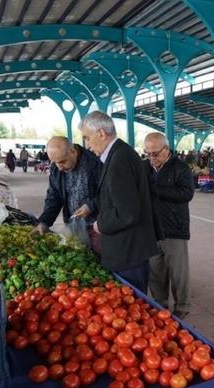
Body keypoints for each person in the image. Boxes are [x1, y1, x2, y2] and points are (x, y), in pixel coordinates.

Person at [80, 111, 158, 293]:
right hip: (128, 248)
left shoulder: (119, 159)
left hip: (128, 251)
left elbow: (127, 213)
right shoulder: (119, 154)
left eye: (87, 138)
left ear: (100, 133)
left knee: (132, 302)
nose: (87, 145)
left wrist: (100, 224)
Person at [144, 133, 194, 318]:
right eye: (147, 154)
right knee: (155, 270)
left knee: (178, 272)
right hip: (151, 229)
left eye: (155, 154)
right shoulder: (145, 167)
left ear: (166, 150)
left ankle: (182, 305)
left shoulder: (181, 168)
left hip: (174, 228)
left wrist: (155, 189)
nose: (151, 158)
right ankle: (160, 303)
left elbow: (186, 194)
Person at [35, 136, 103, 254]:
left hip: (97, 226)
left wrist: (91, 206)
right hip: (73, 225)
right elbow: (53, 197)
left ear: (73, 151)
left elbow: (108, 193)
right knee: (79, 257)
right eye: (55, 162)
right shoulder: (56, 168)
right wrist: (44, 222)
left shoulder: (95, 163)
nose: (59, 167)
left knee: (99, 260)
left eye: (62, 161)